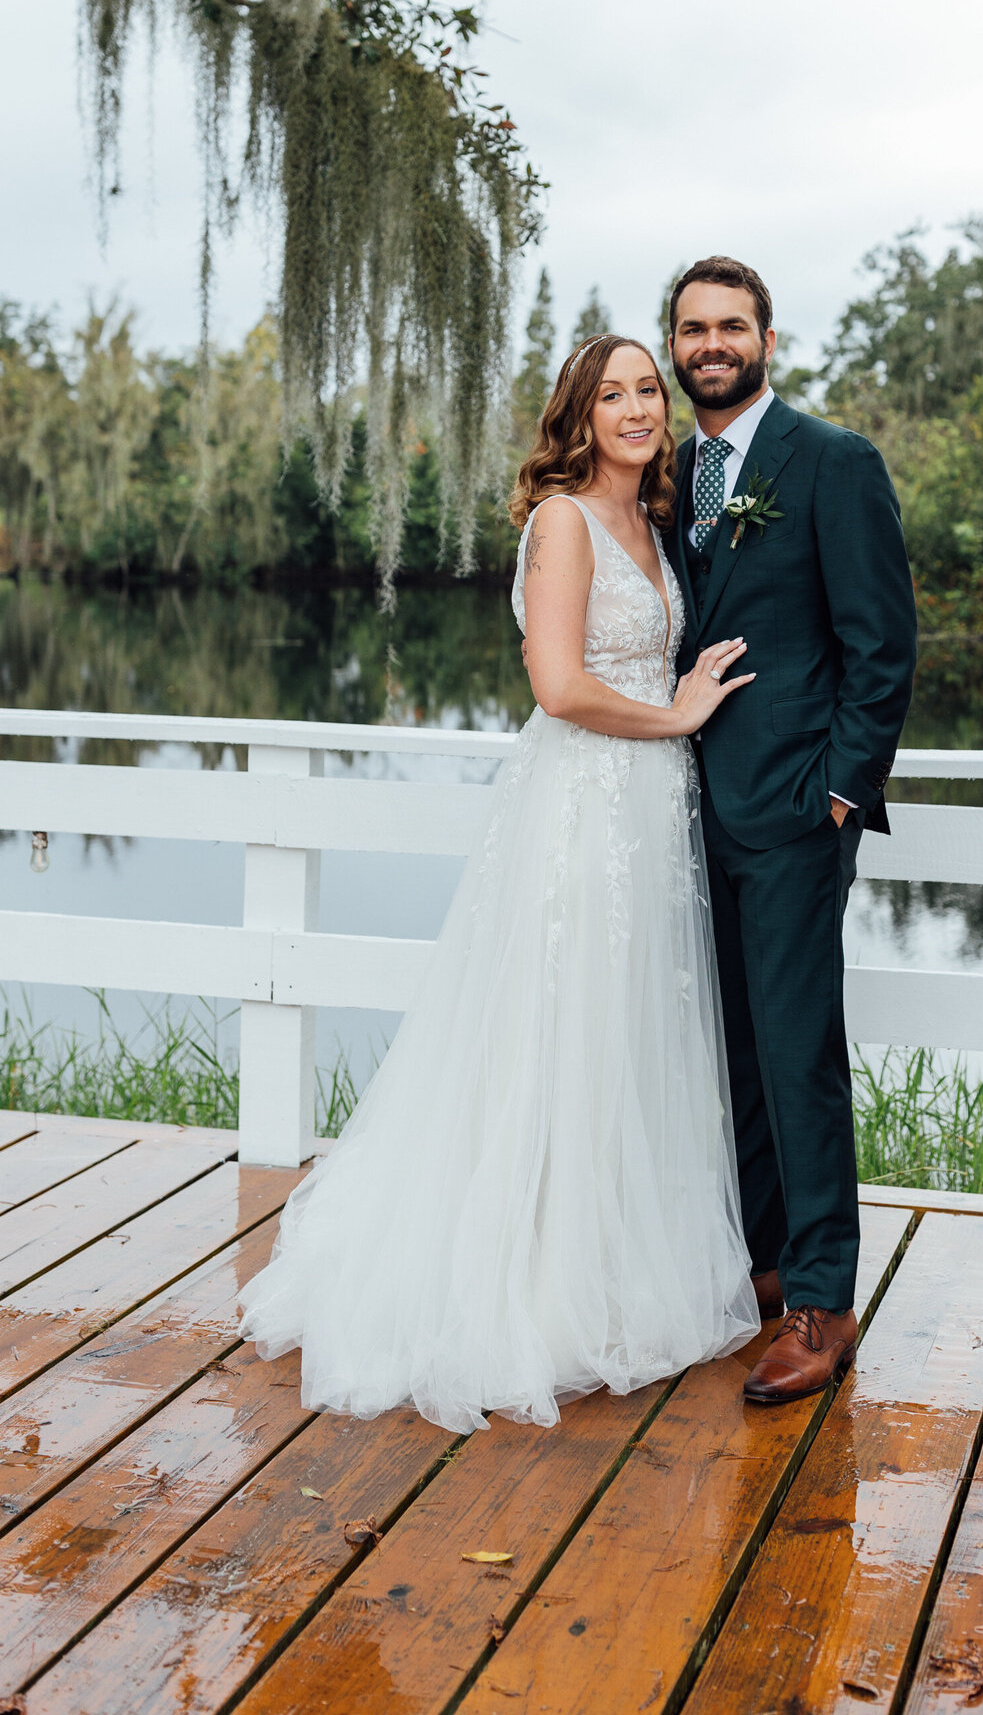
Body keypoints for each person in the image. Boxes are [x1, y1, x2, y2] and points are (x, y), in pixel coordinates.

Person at [239, 334, 760, 1432]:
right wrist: (675, 712)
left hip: (650, 814)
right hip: (581, 811)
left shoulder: (653, 524)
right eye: (610, 394)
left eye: (645, 393)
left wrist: (691, 686)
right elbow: (561, 684)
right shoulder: (564, 523)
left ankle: (612, 1272)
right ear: (577, 415)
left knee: (624, 1038)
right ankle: (528, 1293)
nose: (633, 409)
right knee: (556, 1032)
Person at [660, 255, 916, 1405]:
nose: (710, 344)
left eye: (729, 326)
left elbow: (881, 644)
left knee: (799, 1052)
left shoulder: (832, 463)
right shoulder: (667, 475)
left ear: (766, 337)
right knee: (734, 1050)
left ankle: (820, 1302)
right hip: (682, 815)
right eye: (692, 328)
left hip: (794, 815)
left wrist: (840, 792)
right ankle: (762, 1261)